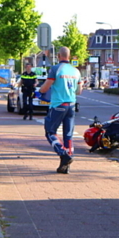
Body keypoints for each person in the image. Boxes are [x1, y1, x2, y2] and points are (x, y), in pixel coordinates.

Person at [38, 46, 83, 174]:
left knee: (50, 132)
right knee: (68, 135)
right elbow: (79, 91)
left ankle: (63, 154)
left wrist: (39, 91)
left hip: (58, 105)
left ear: (58, 56)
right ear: (69, 56)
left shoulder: (55, 69)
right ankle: (66, 166)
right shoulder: (76, 71)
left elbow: (45, 87)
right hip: (71, 105)